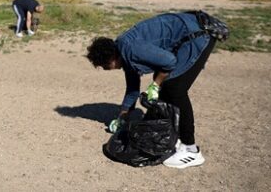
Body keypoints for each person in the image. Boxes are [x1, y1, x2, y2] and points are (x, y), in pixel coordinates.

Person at [86, 12, 217, 169]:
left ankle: (191, 150)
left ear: (111, 59)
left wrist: (155, 85)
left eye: (105, 66)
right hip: (189, 32)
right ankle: (175, 136)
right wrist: (122, 116)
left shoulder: (131, 50)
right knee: (165, 83)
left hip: (198, 35)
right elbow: (132, 89)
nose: (106, 69)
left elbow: (169, 61)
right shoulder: (123, 53)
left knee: (175, 88)